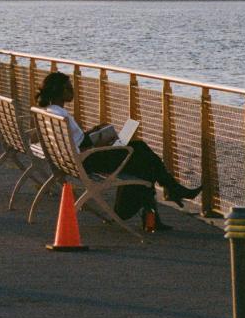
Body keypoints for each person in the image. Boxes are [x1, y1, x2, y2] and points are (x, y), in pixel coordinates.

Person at [36, 70, 200, 227]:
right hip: (87, 161)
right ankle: (167, 192)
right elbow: (83, 145)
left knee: (142, 160)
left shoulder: (51, 111)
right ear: (59, 91)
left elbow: (76, 141)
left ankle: (160, 200)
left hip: (72, 160)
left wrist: (95, 132)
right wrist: (101, 140)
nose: (73, 90)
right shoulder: (62, 115)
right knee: (140, 150)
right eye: (69, 88)